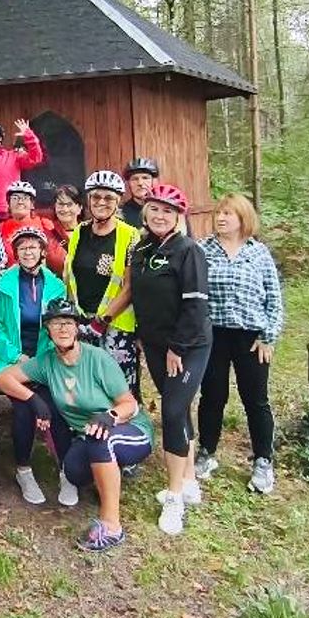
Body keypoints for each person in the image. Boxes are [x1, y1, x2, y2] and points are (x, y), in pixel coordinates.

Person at [0, 299, 154, 550]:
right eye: (56, 323)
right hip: (87, 435)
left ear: (77, 328)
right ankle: (109, 470)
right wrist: (34, 399)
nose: (63, 329)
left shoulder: (97, 358)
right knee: (73, 471)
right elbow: (3, 378)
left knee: (101, 439)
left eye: (68, 323)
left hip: (129, 428)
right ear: (47, 329)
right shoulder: (46, 362)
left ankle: (111, 526)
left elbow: (129, 404)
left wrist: (110, 416)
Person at [116, 183, 211, 536]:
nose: (159, 215)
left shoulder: (188, 251)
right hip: (154, 343)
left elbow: (195, 304)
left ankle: (174, 498)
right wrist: (143, 334)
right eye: (154, 209)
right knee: (178, 408)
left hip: (188, 344)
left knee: (171, 412)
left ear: (178, 217)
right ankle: (187, 478)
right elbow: (139, 295)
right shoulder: (141, 249)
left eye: (167, 211)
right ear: (146, 212)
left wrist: (178, 346)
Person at [196, 193, 284, 495]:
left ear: (243, 218)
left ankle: (263, 461)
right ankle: (206, 453)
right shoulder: (202, 250)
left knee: (255, 399)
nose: (221, 218)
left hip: (251, 338)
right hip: (214, 335)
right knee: (212, 395)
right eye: (218, 213)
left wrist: (268, 336)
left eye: (228, 214)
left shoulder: (258, 253)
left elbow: (274, 299)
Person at [0, 226, 67, 505]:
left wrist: (44, 358)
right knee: (23, 410)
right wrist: (15, 355)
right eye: (22, 247)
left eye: (33, 247)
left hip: (45, 359)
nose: (28, 251)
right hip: (12, 359)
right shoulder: (3, 284)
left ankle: (65, 470)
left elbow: (60, 326)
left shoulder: (57, 285)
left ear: (43, 251)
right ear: (16, 252)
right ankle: (24, 469)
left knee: (57, 404)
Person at [64, 171, 141, 399]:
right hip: (82, 319)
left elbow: (129, 287)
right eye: (96, 196)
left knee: (119, 385)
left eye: (108, 197)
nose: (101, 202)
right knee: (87, 381)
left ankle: (128, 430)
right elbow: (72, 276)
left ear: (118, 201)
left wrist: (102, 321)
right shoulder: (79, 231)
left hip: (114, 324)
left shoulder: (130, 235)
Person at [0, 119, 46, 220]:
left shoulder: (13, 156)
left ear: (0, 140)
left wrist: (28, 135)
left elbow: (35, 158)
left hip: (9, 213)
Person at [0, 179, 41, 262]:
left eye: (25, 198)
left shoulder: (45, 225)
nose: (20, 202)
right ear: (8, 204)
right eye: (15, 198)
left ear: (32, 204)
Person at [43, 184, 82, 277]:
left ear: (79, 208)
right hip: (59, 289)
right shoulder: (45, 237)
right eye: (60, 204)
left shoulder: (90, 234)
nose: (65, 209)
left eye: (69, 204)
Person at [120, 157, 160, 229]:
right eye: (134, 179)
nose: (140, 183)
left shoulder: (165, 210)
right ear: (128, 183)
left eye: (145, 178)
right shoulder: (121, 213)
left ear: (153, 181)